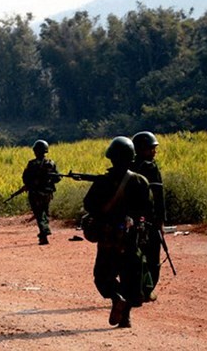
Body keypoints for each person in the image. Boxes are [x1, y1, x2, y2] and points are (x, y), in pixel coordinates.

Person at [83, 136, 154, 328]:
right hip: (132, 238)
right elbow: (148, 209)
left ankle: (116, 298)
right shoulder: (141, 181)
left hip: (108, 237)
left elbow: (89, 205)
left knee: (102, 276)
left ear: (111, 158)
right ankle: (126, 318)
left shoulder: (103, 182)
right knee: (130, 277)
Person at [131, 131, 166, 302]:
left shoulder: (129, 166)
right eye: (151, 148)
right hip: (149, 219)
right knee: (152, 257)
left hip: (132, 218)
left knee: (135, 255)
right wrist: (160, 221)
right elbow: (159, 196)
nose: (154, 152)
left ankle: (137, 288)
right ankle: (148, 289)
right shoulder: (151, 167)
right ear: (141, 149)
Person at [21, 139, 61, 245]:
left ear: (36, 151)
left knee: (39, 215)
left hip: (35, 193)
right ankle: (44, 232)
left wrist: (30, 184)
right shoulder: (51, 163)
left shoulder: (32, 164)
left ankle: (44, 233)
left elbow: (25, 178)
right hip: (48, 193)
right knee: (44, 213)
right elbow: (57, 178)